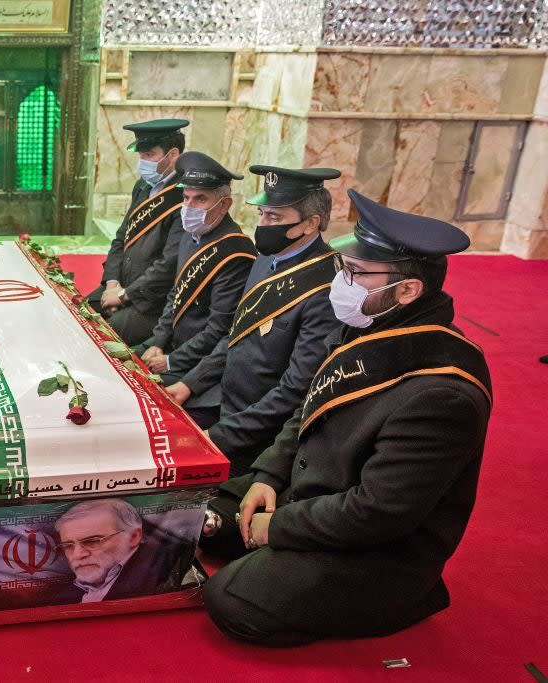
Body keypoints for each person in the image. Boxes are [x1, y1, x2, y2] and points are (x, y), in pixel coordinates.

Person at [200, 189, 493, 646]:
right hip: (315, 491)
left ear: (408, 289)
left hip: (379, 547)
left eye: (355, 273)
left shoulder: (442, 392)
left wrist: (276, 526)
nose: (342, 282)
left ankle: (407, 599)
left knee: (231, 599)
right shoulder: (374, 322)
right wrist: (267, 476)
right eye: (343, 267)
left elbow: (378, 513)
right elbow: (308, 408)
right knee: (200, 515)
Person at [165, 166, 342, 476]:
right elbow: (234, 336)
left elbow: (294, 390)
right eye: (261, 213)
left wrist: (218, 437)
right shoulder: (266, 260)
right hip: (224, 402)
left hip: (259, 435)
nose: (262, 225)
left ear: (311, 223)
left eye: (274, 218)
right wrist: (189, 384)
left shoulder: (325, 287)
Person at [134, 152, 256, 387]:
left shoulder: (234, 252)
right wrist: (158, 341)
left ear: (225, 204)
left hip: (197, 362)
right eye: (186, 197)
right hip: (171, 344)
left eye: (200, 199)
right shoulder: (193, 235)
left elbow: (218, 329)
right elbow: (176, 294)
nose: (189, 207)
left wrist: (171, 360)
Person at [86, 119, 188, 345]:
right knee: (77, 312)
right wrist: (112, 283)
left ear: (172, 155)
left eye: (149, 155)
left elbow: (168, 264)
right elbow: (121, 238)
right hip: (118, 286)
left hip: (149, 302)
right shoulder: (142, 186)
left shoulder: (185, 197)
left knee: (103, 339)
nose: (143, 162)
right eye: (141, 156)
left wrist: (125, 295)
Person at [52, 499, 188, 604]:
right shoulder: (63, 596)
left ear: (134, 537)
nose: (77, 555)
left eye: (92, 541)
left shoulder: (163, 579)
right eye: (68, 546)